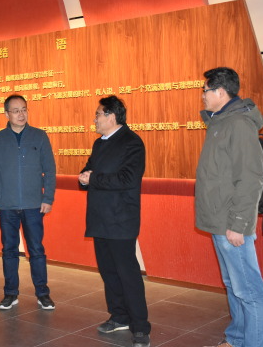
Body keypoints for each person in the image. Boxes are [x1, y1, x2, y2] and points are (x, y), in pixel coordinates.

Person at [195, 67, 263, 347]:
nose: (203, 96)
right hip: (220, 220)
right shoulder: (220, 122)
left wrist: (238, 224)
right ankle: (237, 339)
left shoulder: (238, 124)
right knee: (234, 286)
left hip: (231, 223)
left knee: (248, 291)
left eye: (205, 91)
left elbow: (250, 178)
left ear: (220, 92)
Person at [78, 95, 150, 347]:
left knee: (127, 274)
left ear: (111, 116)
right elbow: (89, 169)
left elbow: (128, 179)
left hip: (121, 219)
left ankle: (140, 327)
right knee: (108, 272)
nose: (95, 119)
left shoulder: (132, 142)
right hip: (100, 218)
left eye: (98, 114)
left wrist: (93, 178)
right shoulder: (99, 144)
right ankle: (119, 316)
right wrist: (84, 177)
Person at [0, 94, 57, 310]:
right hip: (6, 206)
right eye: (15, 111)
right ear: (6, 114)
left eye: (24, 109)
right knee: (9, 250)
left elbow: (50, 170)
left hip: (34, 205)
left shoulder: (39, 136)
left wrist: (48, 197)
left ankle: (43, 293)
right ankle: (10, 293)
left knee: (36, 250)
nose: (21, 114)